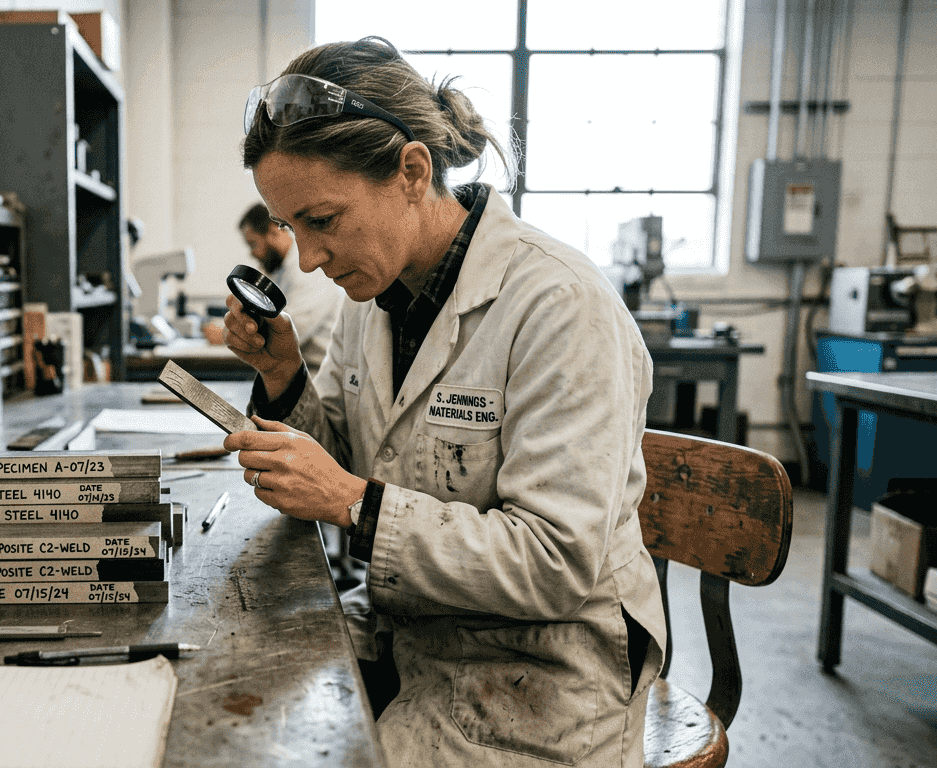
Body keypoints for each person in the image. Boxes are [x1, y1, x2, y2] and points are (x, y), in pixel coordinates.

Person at [221, 37, 665, 767]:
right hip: (414, 633)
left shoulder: (560, 305)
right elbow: (341, 459)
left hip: (538, 676)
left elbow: (555, 561)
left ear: (411, 171)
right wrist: (284, 377)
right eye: (290, 227)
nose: (307, 258)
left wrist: (355, 506)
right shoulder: (372, 297)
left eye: (323, 221)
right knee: (244, 713)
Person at [237, 203, 344, 373]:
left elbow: (289, 334)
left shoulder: (307, 270)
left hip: (323, 372)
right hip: (304, 367)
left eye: (252, 244)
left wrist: (228, 334)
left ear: (273, 231)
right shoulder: (279, 269)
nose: (252, 253)